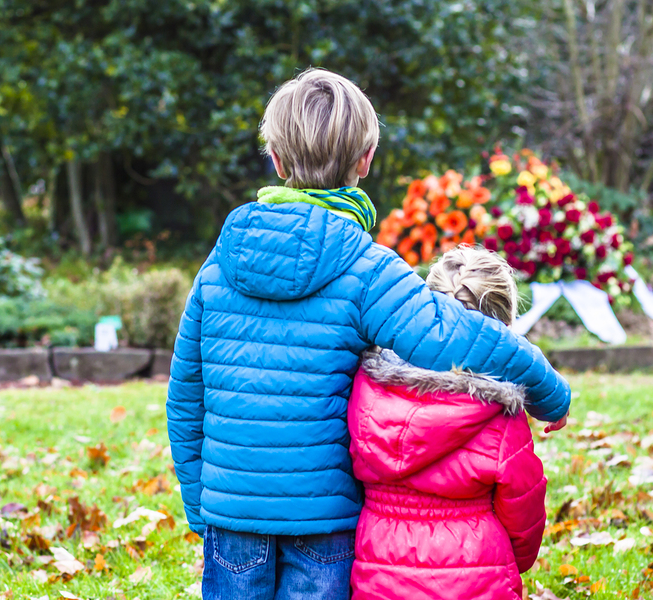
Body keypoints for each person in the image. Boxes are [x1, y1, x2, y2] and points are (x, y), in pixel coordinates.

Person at [166, 68, 569, 600]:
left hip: (232, 516)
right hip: (325, 520)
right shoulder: (367, 268)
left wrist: (202, 503)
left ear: (278, 160)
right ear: (366, 160)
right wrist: (547, 389)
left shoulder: (218, 266)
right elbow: (455, 336)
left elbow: (186, 396)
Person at [349, 246, 549, 600]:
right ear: (503, 328)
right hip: (477, 578)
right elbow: (524, 512)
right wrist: (509, 560)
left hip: (378, 574)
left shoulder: (368, 392)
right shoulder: (501, 414)